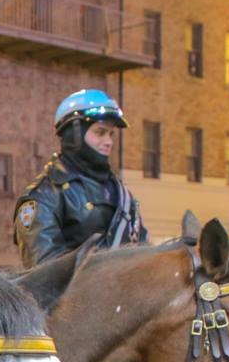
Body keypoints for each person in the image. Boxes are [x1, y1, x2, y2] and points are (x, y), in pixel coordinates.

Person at [13, 89, 147, 268]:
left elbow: (143, 248)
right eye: (100, 132)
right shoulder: (43, 195)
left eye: (111, 134)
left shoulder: (120, 192)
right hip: (77, 296)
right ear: (74, 133)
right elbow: (43, 274)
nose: (109, 141)